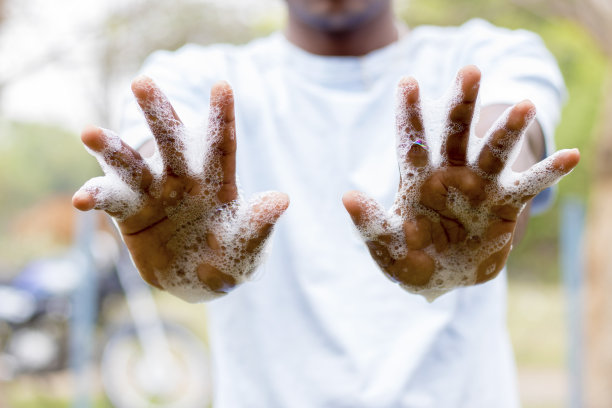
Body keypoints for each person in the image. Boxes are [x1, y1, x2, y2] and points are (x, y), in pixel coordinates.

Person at [73, 0, 580, 406]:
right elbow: (162, 154)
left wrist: (480, 184)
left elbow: (509, 137)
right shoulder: (192, 78)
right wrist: (179, 237)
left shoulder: (491, 53)